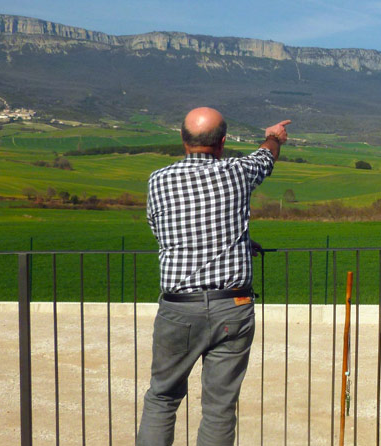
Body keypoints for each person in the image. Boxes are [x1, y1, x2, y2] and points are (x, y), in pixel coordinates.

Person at [138, 106, 289, 445]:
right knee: (219, 407)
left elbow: (161, 231)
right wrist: (273, 136)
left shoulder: (158, 180)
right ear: (222, 143)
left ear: (182, 139)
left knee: (162, 398)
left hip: (178, 308)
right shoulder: (237, 172)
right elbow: (267, 156)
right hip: (231, 305)